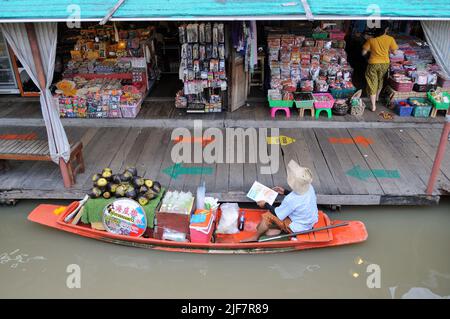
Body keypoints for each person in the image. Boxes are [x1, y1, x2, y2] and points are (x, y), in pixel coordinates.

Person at [242, 160, 318, 242]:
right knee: (282, 210)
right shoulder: (309, 186)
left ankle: (255, 237)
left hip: (299, 227)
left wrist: (265, 204)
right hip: (310, 221)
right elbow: (300, 198)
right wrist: (285, 191)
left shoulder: (291, 199)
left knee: (268, 215)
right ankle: (279, 229)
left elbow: (277, 213)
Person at [362, 21, 399, 112]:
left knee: (372, 82)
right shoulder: (390, 39)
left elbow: (363, 52)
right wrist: (388, 51)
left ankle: (373, 105)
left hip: (373, 63)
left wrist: (370, 52)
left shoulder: (371, 40)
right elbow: (395, 53)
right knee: (380, 79)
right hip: (385, 63)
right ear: (386, 29)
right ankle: (377, 97)